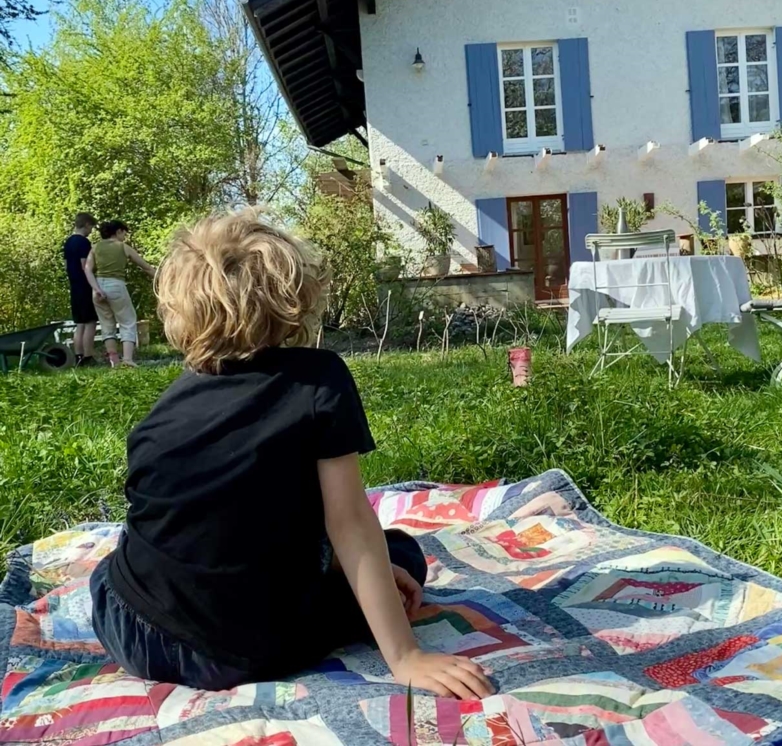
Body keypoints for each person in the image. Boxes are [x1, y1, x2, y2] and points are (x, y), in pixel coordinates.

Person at [89, 210, 492, 699]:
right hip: (242, 649)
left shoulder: (167, 407)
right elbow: (349, 521)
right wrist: (406, 657)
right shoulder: (318, 379)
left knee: (114, 569)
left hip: (134, 631)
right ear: (294, 298)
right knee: (400, 555)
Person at [84, 221, 156, 368]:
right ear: (118, 232)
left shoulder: (95, 248)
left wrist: (96, 289)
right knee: (128, 321)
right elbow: (146, 267)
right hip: (116, 285)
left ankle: (114, 362)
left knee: (106, 324)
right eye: (124, 233)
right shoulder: (122, 247)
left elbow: (87, 269)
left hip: (98, 285)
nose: (125, 236)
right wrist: (163, 278)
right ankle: (127, 360)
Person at [63, 212, 98, 366]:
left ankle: (78, 356)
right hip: (85, 286)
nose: (91, 231)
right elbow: (86, 266)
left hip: (74, 285)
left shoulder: (68, 242)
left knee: (80, 324)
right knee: (90, 322)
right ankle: (88, 356)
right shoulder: (84, 243)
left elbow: (66, 266)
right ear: (87, 225)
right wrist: (94, 283)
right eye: (91, 227)